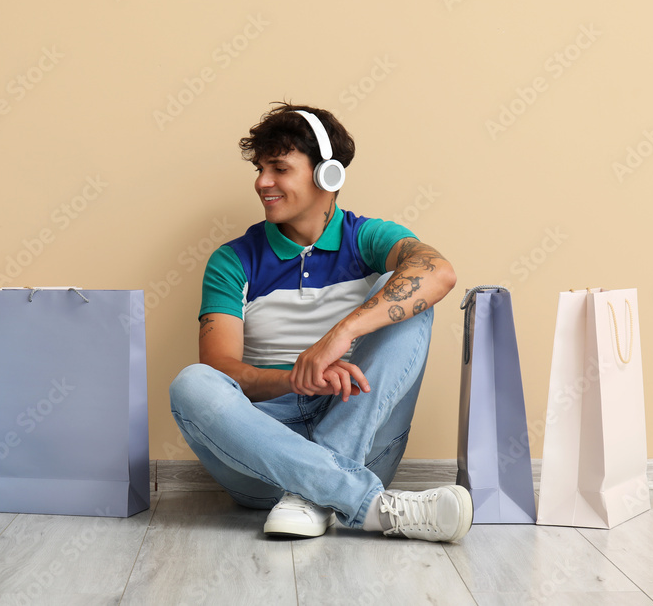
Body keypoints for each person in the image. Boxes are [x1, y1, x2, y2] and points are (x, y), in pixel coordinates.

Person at [168, 103, 473, 542]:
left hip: (361, 435)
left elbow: (438, 271)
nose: (261, 182)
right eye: (259, 169)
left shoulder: (365, 238)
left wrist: (340, 335)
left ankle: (319, 492)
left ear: (327, 175)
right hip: (262, 457)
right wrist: (298, 379)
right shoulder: (233, 260)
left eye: (279, 168)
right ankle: (368, 505)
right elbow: (222, 370)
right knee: (192, 383)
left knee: (406, 288)